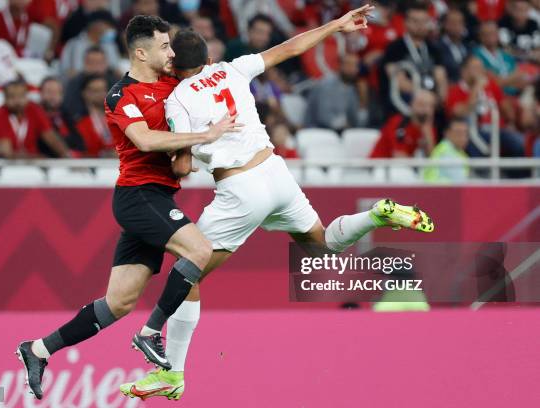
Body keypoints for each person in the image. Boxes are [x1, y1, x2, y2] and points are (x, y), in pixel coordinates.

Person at [121, 6, 435, 400]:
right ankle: (375, 215)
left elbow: (182, 164)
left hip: (239, 189)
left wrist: (175, 155)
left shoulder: (178, 101)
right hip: (275, 172)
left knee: (188, 273)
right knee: (322, 245)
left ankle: (172, 371)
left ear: (173, 67)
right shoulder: (233, 69)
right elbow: (288, 48)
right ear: (209, 59)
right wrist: (337, 25)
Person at [15, 15, 240, 400]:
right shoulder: (121, 94)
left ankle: (38, 349)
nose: (171, 53)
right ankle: (152, 332)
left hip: (159, 198)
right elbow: (145, 140)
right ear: (141, 52)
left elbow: (190, 122)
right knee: (199, 250)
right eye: (164, 46)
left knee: (118, 303)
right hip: (137, 197)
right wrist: (207, 134)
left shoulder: (174, 85)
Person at [0, 79, 71, 158]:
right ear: (5, 98)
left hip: (30, 165)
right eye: (12, 97)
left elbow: (51, 138)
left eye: (21, 96)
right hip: (0, 167)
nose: (17, 101)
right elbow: (6, 153)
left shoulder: (34, 110)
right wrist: (37, 158)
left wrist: (67, 156)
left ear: (27, 96)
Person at [304, 53, 367, 131]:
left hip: (339, 133)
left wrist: (362, 101)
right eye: (348, 64)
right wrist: (344, 124)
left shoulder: (350, 88)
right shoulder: (326, 85)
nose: (352, 69)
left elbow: (356, 122)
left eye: (355, 65)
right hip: (316, 132)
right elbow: (323, 117)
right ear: (338, 66)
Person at [370, 89, 437, 158]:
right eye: (422, 105)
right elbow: (399, 156)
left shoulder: (428, 128)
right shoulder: (398, 123)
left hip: (404, 167)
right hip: (379, 165)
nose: (427, 110)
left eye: (431, 106)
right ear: (412, 104)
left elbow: (432, 159)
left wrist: (428, 136)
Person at [60, 10, 120, 77]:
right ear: (97, 25)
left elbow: (115, 68)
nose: (111, 29)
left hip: (106, 82)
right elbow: (74, 71)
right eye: (109, 26)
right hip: (79, 82)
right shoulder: (74, 44)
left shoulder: (110, 44)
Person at [62, 46, 119, 118]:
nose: (95, 67)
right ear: (84, 64)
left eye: (99, 63)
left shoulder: (116, 83)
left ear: (106, 64)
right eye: (91, 63)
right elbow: (70, 110)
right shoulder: (74, 83)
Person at [39, 76, 85, 156]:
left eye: (57, 92)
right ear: (41, 94)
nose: (53, 96)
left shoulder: (69, 116)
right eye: (49, 92)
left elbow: (80, 144)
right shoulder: (35, 116)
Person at [74, 73, 114, 157]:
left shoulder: (116, 117)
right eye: (96, 91)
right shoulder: (78, 121)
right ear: (85, 93)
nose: (101, 94)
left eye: (104, 90)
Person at [423, 118, 470, 183]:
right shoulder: (445, 152)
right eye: (458, 132)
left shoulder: (460, 153)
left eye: (465, 133)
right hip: (435, 190)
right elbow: (459, 182)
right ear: (447, 133)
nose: (463, 137)